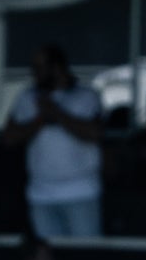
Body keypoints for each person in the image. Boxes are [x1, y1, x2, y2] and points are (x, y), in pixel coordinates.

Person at [8, 46, 105, 240]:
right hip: (40, 193)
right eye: (33, 67)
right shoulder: (27, 97)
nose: (34, 73)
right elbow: (9, 138)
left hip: (80, 192)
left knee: (84, 258)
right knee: (46, 259)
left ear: (58, 67)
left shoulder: (87, 96)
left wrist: (57, 113)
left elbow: (95, 133)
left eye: (40, 67)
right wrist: (40, 119)